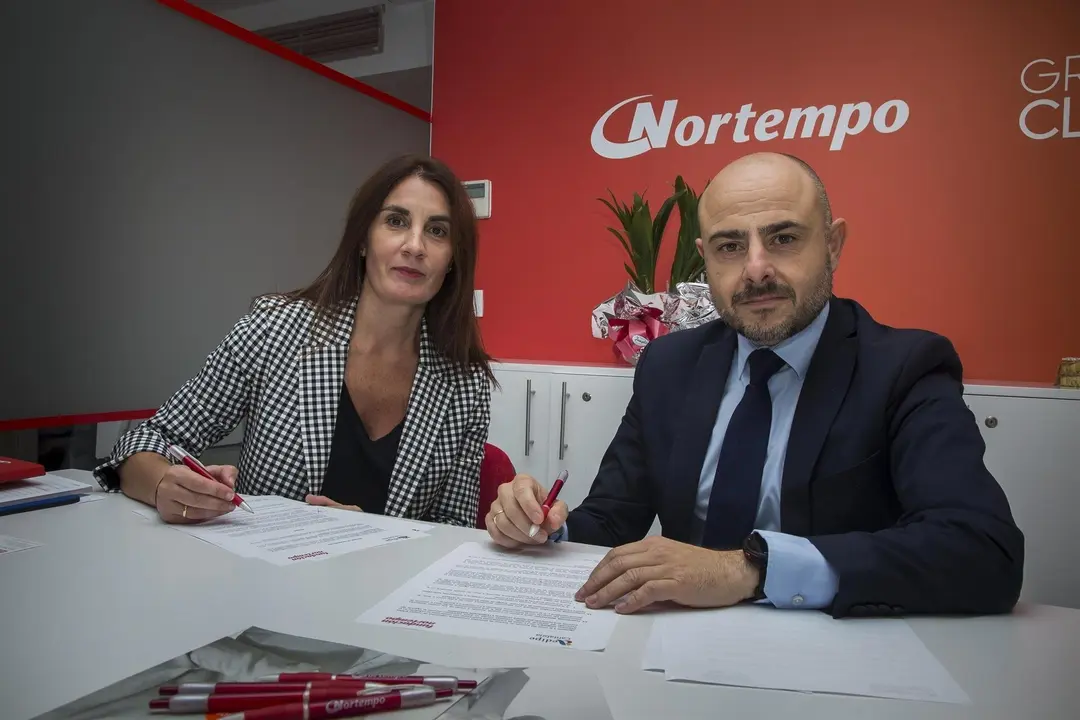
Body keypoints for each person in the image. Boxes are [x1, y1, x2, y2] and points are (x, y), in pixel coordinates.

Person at [486, 152, 1024, 618]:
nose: (756, 269)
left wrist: (749, 571)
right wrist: (544, 528)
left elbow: (983, 551)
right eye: (729, 247)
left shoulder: (903, 368)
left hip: (832, 651)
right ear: (705, 257)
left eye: (784, 238)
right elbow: (610, 519)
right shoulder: (669, 365)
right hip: (674, 642)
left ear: (833, 245)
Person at [95, 154, 493, 528]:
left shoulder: (465, 382)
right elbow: (149, 439)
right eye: (396, 221)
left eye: (437, 231)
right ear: (363, 239)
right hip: (260, 574)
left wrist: (370, 532)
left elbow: (452, 530)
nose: (415, 246)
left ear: (452, 259)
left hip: (387, 579)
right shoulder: (275, 331)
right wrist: (163, 484)